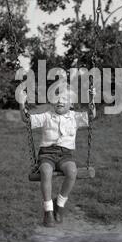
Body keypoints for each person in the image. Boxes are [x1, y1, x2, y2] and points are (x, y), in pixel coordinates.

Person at [18, 85, 96, 227]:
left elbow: (91, 116)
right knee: (46, 171)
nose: (60, 101)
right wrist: (22, 103)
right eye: (57, 98)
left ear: (71, 104)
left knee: (72, 171)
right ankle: (48, 210)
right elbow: (26, 119)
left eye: (65, 99)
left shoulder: (75, 117)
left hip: (65, 155)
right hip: (47, 154)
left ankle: (59, 204)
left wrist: (92, 99)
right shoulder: (47, 116)